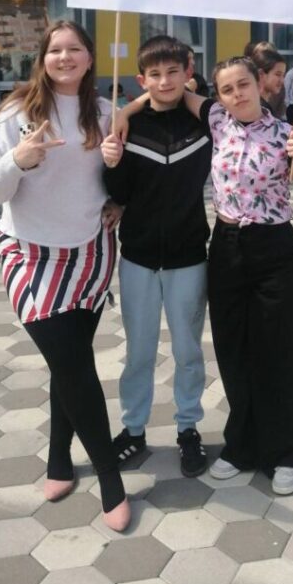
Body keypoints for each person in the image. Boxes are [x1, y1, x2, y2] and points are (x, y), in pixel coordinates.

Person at [0, 20, 130, 532]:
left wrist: (119, 198)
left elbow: (121, 180)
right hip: (31, 254)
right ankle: (110, 480)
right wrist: (18, 160)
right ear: (42, 58)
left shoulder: (104, 112)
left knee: (70, 362)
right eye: (55, 50)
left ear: (89, 57)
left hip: (90, 252)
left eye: (74, 49)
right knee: (74, 365)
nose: (64, 57)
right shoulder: (16, 113)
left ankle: (59, 459)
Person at [183, 56, 293, 495]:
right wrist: (126, 112)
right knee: (233, 349)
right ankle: (242, 444)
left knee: (281, 351)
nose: (236, 95)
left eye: (243, 85)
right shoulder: (216, 120)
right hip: (226, 247)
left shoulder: (289, 133)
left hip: (273, 248)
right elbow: (171, 92)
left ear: (260, 83)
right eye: (227, 89)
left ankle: (286, 450)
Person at [100, 35, 212, 478]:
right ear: (141, 79)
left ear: (188, 72)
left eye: (173, 72)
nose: (164, 81)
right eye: (155, 74)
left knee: (188, 351)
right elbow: (120, 192)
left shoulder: (203, 123)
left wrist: (128, 107)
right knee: (139, 351)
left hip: (189, 255)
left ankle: (188, 429)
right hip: (138, 256)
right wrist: (112, 161)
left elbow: (217, 109)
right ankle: (133, 429)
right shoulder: (127, 129)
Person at [252, 44, 287, 119]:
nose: (282, 80)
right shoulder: (257, 109)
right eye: (278, 74)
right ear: (261, 74)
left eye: (283, 75)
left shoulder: (263, 106)